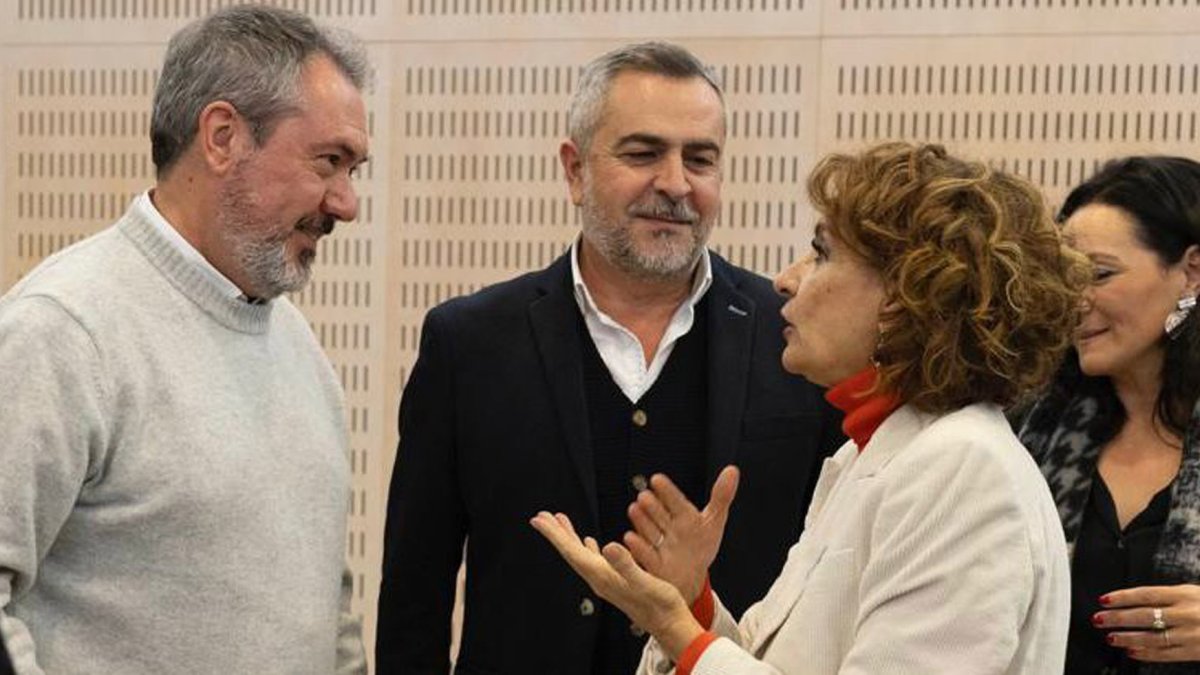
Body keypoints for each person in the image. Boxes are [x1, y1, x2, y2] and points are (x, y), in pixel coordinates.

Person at [376, 42, 844, 675]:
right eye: (643, 153)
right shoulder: (468, 342)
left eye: (700, 159)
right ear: (575, 171)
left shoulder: (794, 339)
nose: (676, 183)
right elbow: (414, 596)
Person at [534, 141, 1088, 674]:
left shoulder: (963, 470)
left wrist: (676, 629)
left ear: (906, 296)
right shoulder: (871, 451)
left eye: (821, 253)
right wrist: (689, 605)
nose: (786, 279)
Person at [0, 5, 369, 673]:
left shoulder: (299, 347)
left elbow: (328, 605)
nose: (346, 202)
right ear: (223, 136)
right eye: (329, 162)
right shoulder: (64, 329)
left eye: (354, 170)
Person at [1017, 156, 1200, 673]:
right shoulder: (1028, 430)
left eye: (1099, 274)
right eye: (1064, 279)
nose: (1074, 301)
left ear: (1191, 272)